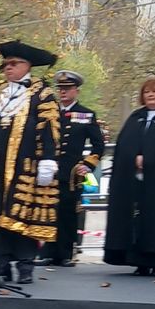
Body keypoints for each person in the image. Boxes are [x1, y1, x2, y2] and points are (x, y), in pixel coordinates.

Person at [0, 41, 61, 285]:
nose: (8, 68)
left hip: (26, 166)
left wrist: (47, 159)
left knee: (23, 216)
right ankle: (1, 265)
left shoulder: (42, 94)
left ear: (28, 66)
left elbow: (50, 129)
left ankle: (25, 265)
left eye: (14, 64)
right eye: (6, 64)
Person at [41, 70, 105, 266]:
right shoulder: (49, 114)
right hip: (49, 171)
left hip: (70, 174)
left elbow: (98, 145)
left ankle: (66, 254)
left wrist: (87, 165)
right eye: (60, 89)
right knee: (48, 212)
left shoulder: (86, 114)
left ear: (76, 90)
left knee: (68, 213)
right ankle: (48, 253)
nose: (63, 92)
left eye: (67, 89)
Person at [104, 76, 155, 274]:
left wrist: (149, 160)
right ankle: (140, 260)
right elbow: (124, 146)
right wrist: (132, 159)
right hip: (135, 181)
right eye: (147, 92)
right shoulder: (136, 117)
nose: (151, 95)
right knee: (136, 218)